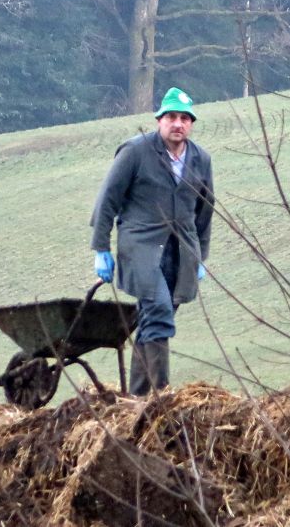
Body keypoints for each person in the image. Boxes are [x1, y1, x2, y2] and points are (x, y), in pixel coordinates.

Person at [89, 87, 215, 396]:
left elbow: (205, 210)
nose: (178, 124)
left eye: (185, 118)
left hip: (181, 251)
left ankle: (138, 396)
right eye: (171, 117)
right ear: (159, 120)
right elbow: (107, 200)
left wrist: (200, 255)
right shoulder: (135, 152)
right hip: (141, 246)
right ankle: (163, 396)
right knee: (158, 311)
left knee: (154, 322)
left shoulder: (201, 159)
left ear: (191, 124)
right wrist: (101, 248)